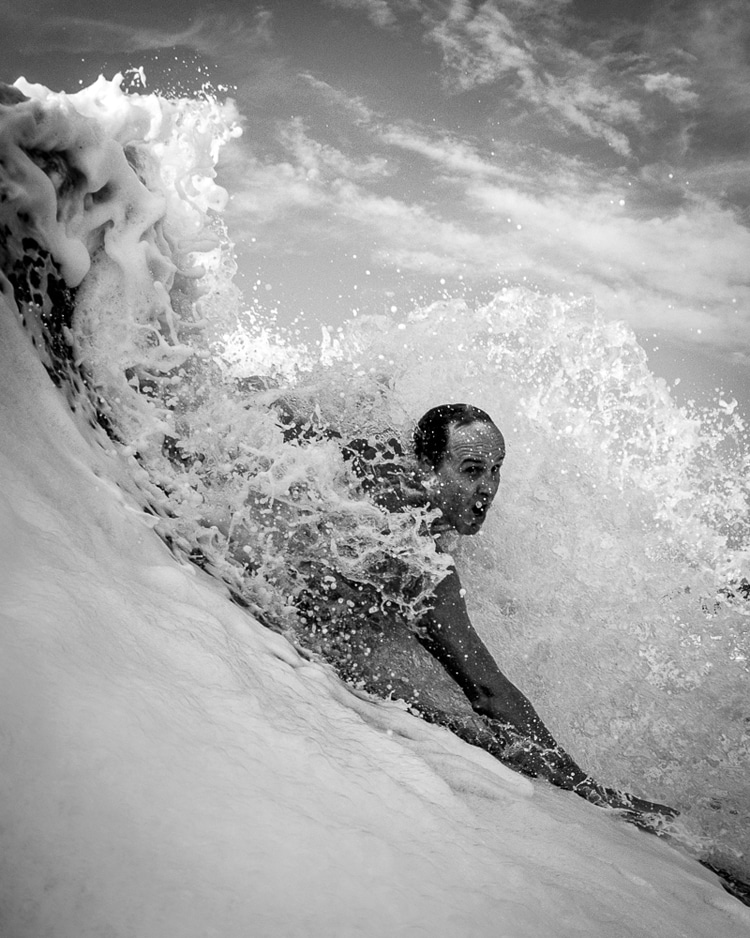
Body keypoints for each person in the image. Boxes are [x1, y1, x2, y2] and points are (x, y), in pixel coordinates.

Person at [337, 403, 677, 821]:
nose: (488, 488)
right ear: (427, 467)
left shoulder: (383, 459)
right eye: (472, 470)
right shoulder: (416, 555)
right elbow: (487, 690)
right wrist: (586, 787)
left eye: (496, 469)